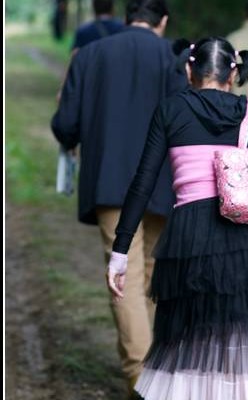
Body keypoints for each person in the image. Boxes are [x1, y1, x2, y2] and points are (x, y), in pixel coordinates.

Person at [106, 37, 248, 400]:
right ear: (233, 73)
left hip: (188, 240)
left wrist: (120, 250)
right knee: (246, 341)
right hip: (247, 242)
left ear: (188, 70)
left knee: (187, 343)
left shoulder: (171, 110)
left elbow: (142, 184)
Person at [51, 0, 187, 398]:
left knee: (124, 277)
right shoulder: (177, 57)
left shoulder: (90, 54)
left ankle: (143, 377)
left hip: (112, 184)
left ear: (129, 17)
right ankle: (157, 371)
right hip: (166, 180)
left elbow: (66, 125)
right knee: (153, 273)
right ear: (162, 21)